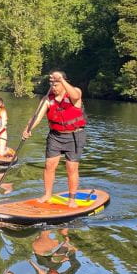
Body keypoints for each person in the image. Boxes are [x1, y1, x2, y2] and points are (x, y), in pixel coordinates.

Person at [22, 71, 86, 208]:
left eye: (56, 84)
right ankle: (47, 194)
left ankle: (72, 199)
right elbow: (37, 117)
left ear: (64, 83)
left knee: (71, 168)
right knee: (49, 165)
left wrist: (61, 79)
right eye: (51, 84)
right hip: (55, 136)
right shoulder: (47, 99)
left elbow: (76, 95)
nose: (53, 87)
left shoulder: (75, 93)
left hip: (74, 136)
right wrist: (28, 129)